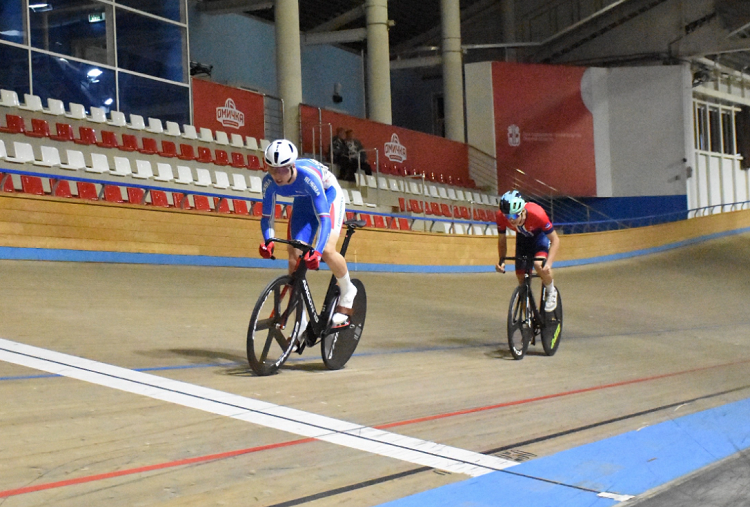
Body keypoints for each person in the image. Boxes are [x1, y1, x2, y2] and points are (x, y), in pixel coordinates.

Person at [258, 139, 358, 328]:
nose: (277, 175)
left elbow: (324, 220)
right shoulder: (268, 182)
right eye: (272, 169)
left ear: (292, 166)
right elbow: (267, 216)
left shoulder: (308, 177)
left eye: (282, 170)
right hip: (303, 201)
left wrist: (317, 252)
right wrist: (268, 241)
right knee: (294, 257)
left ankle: (347, 290)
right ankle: (301, 321)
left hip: (328, 195)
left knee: (328, 250)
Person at [495, 190, 560, 312]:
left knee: (538, 265)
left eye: (514, 216)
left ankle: (551, 291)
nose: (511, 220)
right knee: (521, 278)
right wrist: (501, 260)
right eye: (507, 216)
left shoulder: (537, 213)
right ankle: (528, 315)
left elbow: (555, 240)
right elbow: (502, 240)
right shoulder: (501, 216)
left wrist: (549, 264)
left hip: (539, 238)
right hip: (523, 240)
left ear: (523, 211)